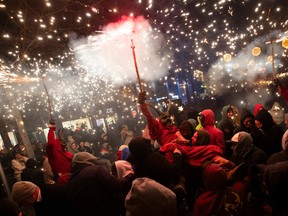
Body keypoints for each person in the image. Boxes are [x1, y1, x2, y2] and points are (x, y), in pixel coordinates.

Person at [65, 152, 133, 216]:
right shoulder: (95, 170)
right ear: (91, 161)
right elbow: (118, 186)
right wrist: (129, 176)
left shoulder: (71, 180)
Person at [46, 119, 73, 185]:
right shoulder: (55, 153)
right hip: (62, 180)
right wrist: (51, 130)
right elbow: (50, 144)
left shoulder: (68, 154)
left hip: (71, 179)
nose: (63, 143)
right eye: (61, 141)